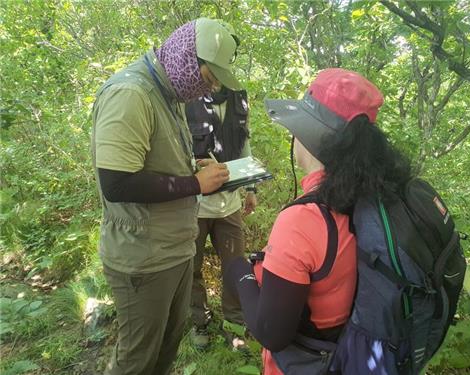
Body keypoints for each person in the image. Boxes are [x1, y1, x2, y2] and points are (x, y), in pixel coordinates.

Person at [225, 68, 413, 374]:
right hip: (352, 352)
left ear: (307, 135)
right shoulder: (377, 196)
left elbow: (272, 332)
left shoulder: (303, 220)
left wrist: (239, 272)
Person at [91, 18, 240, 375]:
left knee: (165, 350)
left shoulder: (167, 93)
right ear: (187, 57)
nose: (211, 87)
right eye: (208, 77)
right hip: (143, 258)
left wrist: (193, 168)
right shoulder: (131, 93)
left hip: (172, 250)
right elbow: (116, 183)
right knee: (137, 361)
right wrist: (195, 184)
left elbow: (153, 160)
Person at [185, 83, 257, 350]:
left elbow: (244, 141)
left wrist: (250, 187)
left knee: (235, 268)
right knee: (191, 267)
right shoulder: (187, 97)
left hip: (230, 205)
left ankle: (234, 325)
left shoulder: (238, 98)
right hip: (194, 205)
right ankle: (199, 321)